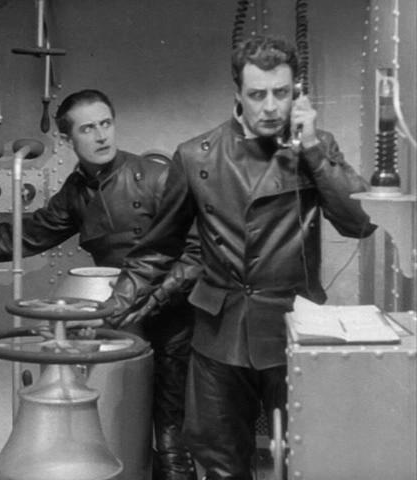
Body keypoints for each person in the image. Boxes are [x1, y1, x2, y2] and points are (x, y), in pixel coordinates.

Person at [106, 36, 376, 480]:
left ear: (297, 92)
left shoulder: (315, 147)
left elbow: (360, 221)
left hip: (292, 326)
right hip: (220, 333)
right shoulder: (196, 155)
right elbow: (158, 247)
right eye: (257, 94)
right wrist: (114, 304)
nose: (270, 107)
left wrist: (311, 148)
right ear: (238, 93)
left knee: (305, 459)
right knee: (220, 463)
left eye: (281, 93)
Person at [0, 89, 199, 480]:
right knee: (117, 425)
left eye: (106, 124)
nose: (101, 136)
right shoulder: (77, 193)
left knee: (172, 438)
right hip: (119, 320)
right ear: (66, 138)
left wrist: (154, 299)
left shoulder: (159, 178)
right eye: (88, 129)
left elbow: (197, 253)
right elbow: (28, 234)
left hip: (172, 318)